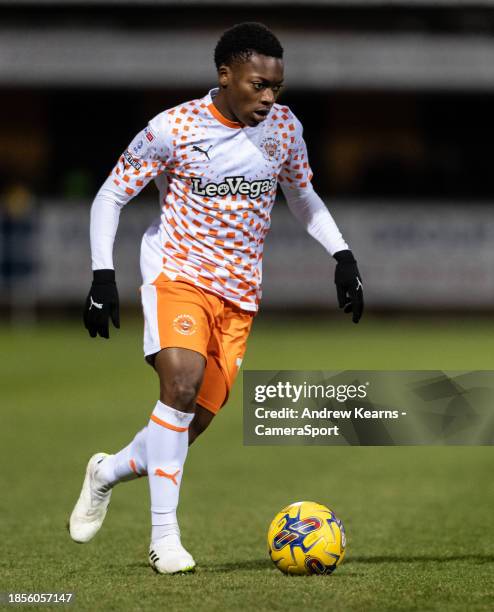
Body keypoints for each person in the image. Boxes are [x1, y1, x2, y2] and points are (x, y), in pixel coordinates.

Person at [68, 22, 364, 574]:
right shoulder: (173, 128)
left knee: (189, 425)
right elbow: (111, 195)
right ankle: (165, 540)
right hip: (177, 276)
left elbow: (302, 196)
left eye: (277, 86)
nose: (269, 97)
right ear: (225, 76)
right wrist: (101, 275)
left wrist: (341, 256)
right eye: (258, 85)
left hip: (239, 295)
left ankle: (106, 472)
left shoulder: (285, 129)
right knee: (177, 389)